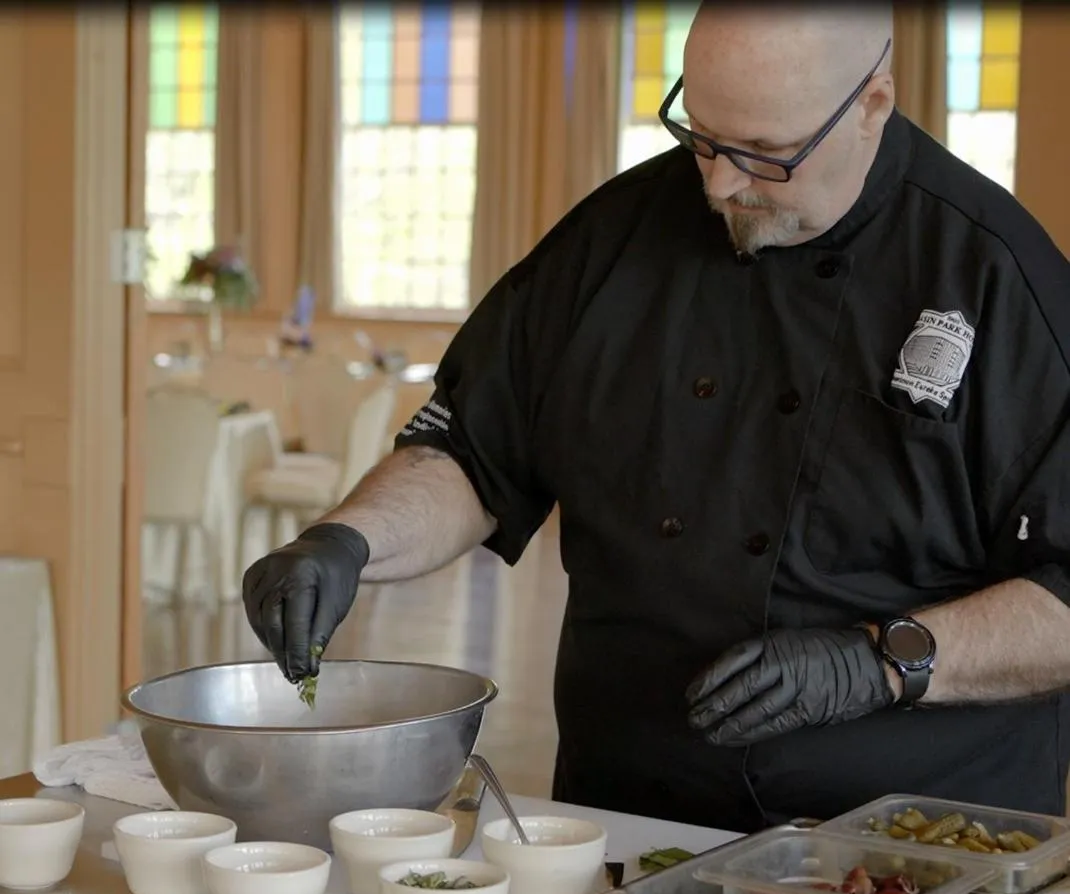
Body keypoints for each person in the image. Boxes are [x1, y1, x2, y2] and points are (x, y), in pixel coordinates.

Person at [242, 3, 1070, 834]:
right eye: (701, 137)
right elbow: (472, 450)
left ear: (872, 103)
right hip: (629, 822)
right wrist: (346, 542)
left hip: (919, 845)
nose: (718, 184)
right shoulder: (610, 242)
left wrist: (879, 661)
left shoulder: (999, 278)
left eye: (764, 155)